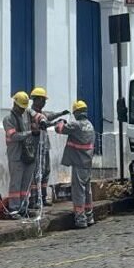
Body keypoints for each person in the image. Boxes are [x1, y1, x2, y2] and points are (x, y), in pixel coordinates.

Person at [54, 100, 96, 228]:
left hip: (78, 163)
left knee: (78, 192)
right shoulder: (90, 125)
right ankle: (89, 216)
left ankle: (80, 219)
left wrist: (61, 121)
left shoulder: (76, 125)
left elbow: (59, 129)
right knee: (87, 191)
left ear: (77, 113)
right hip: (87, 163)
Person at [28, 86, 68, 207]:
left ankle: (43, 197)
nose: (44, 102)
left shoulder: (42, 114)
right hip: (35, 147)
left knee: (46, 171)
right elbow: (43, 121)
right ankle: (34, 199)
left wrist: (60, 115)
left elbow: (48, 117)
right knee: (36, 172)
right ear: (37, 100)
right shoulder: (31, 112)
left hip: (44, 146)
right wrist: (54, 122)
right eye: (43, 100)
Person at [2, 91, 39, 217]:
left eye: (24, 108)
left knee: (25, 184)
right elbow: (14, 136)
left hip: (27, 154)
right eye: (20, 108)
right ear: (14, 104)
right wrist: (30, 133)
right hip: (16, 155)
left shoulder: (26, 115)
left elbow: (38, 116)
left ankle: (23, 207)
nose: (22, 110)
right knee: (16, 183)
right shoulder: (8, 119)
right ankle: (13, 209)